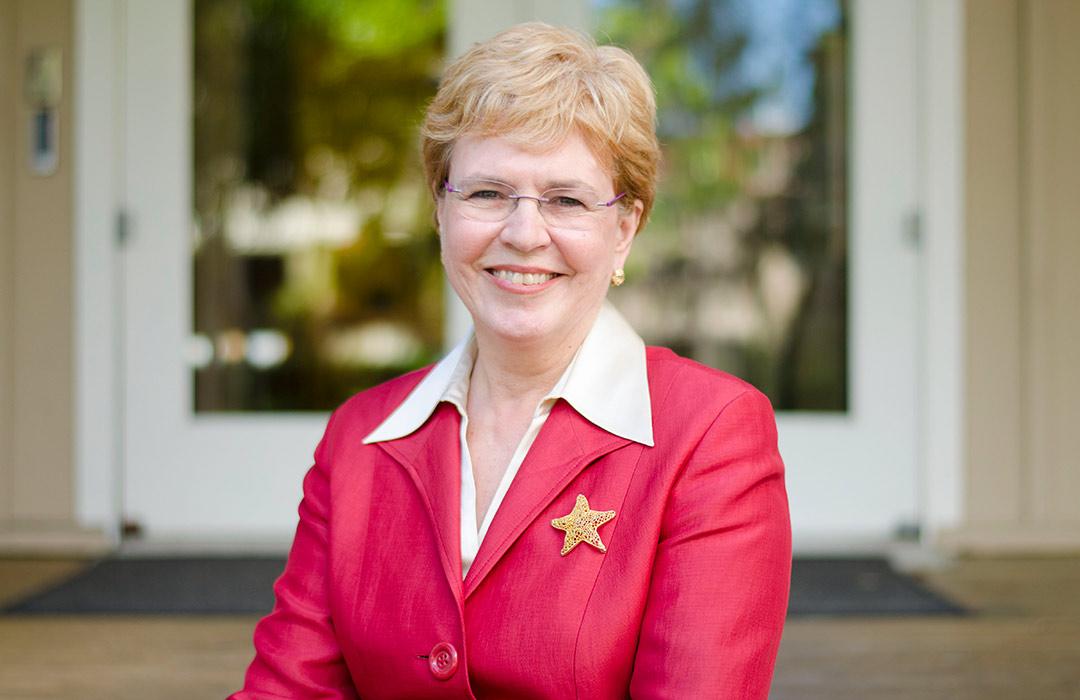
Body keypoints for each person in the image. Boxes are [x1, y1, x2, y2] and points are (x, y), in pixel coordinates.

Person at [231, 22, 790, 700]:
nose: (524, 234)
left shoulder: (710, 434)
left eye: (566, 200)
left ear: (625, 228)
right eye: (488, 193)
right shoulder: (358, 437)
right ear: (441, 211)